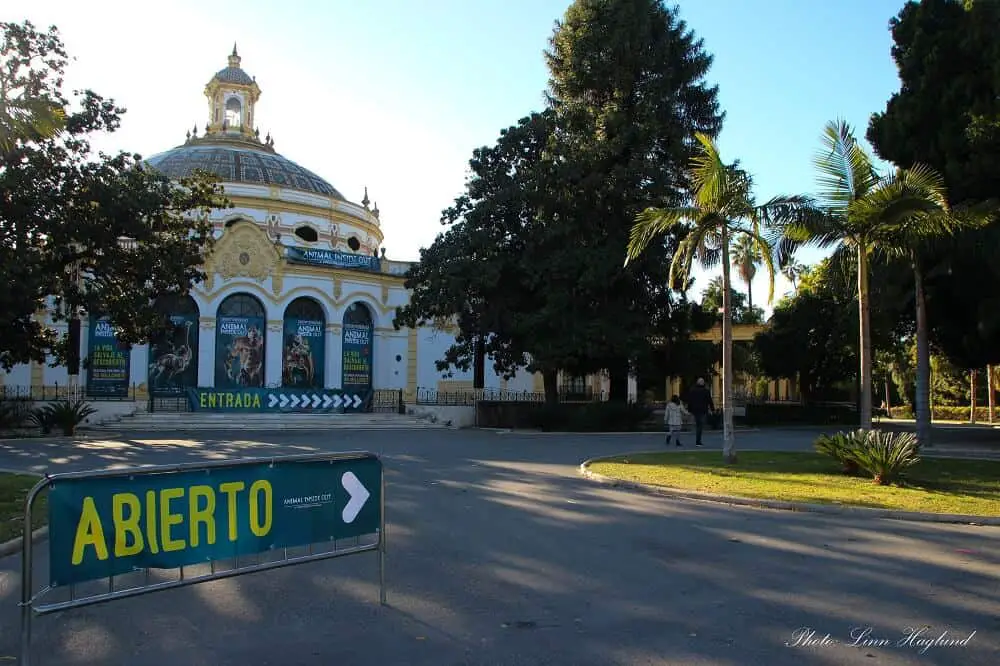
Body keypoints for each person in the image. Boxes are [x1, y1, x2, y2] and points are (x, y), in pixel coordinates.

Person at [685, 377, 714, 447]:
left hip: (695, 410)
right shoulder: (706, 391)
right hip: (703, 410)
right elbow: (710, 400)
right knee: (700, 425)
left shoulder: (693, 390)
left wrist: (689, 410)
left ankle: (698, 440)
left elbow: (690, 401)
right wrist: (712, 409)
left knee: (699, 425)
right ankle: (698, 441)